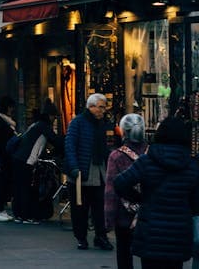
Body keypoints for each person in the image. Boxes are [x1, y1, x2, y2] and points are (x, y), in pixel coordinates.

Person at [114, 117, 199, 269]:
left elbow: (119, 183)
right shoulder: (192, 166)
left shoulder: (147, 161)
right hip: (178, 233)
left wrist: (139, 198)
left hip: (150, 231)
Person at [65, 93, 114, 251]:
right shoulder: (78, 122)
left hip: (99, 171)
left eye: (104, 107)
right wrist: (73, 167)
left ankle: (101, 236)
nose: (102, 110)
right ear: (91, 107)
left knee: (100, 207)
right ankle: (81, 237)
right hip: (82, 171)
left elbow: (106, 148)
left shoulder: (102, 123)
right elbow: (70, 145)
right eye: (100, 107)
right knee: (80, 208)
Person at [105, 113, 148, 269]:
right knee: (148, 256)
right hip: (147, 213)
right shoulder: (152, 153)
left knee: (124, 255)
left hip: (124, 216)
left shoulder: (116, 156)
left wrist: (109, 219)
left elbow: (111, 192)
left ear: (123, 131)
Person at [9, 101, 61, 224]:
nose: (54, 119)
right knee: (26, 188)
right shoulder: (44, 127)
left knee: (19, 188)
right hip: (26, 161)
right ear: (49, 116)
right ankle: (26, 216)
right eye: (54, 116)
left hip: (18, 158)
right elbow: (57, 141)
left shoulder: (35, 125)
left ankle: (19, 215)